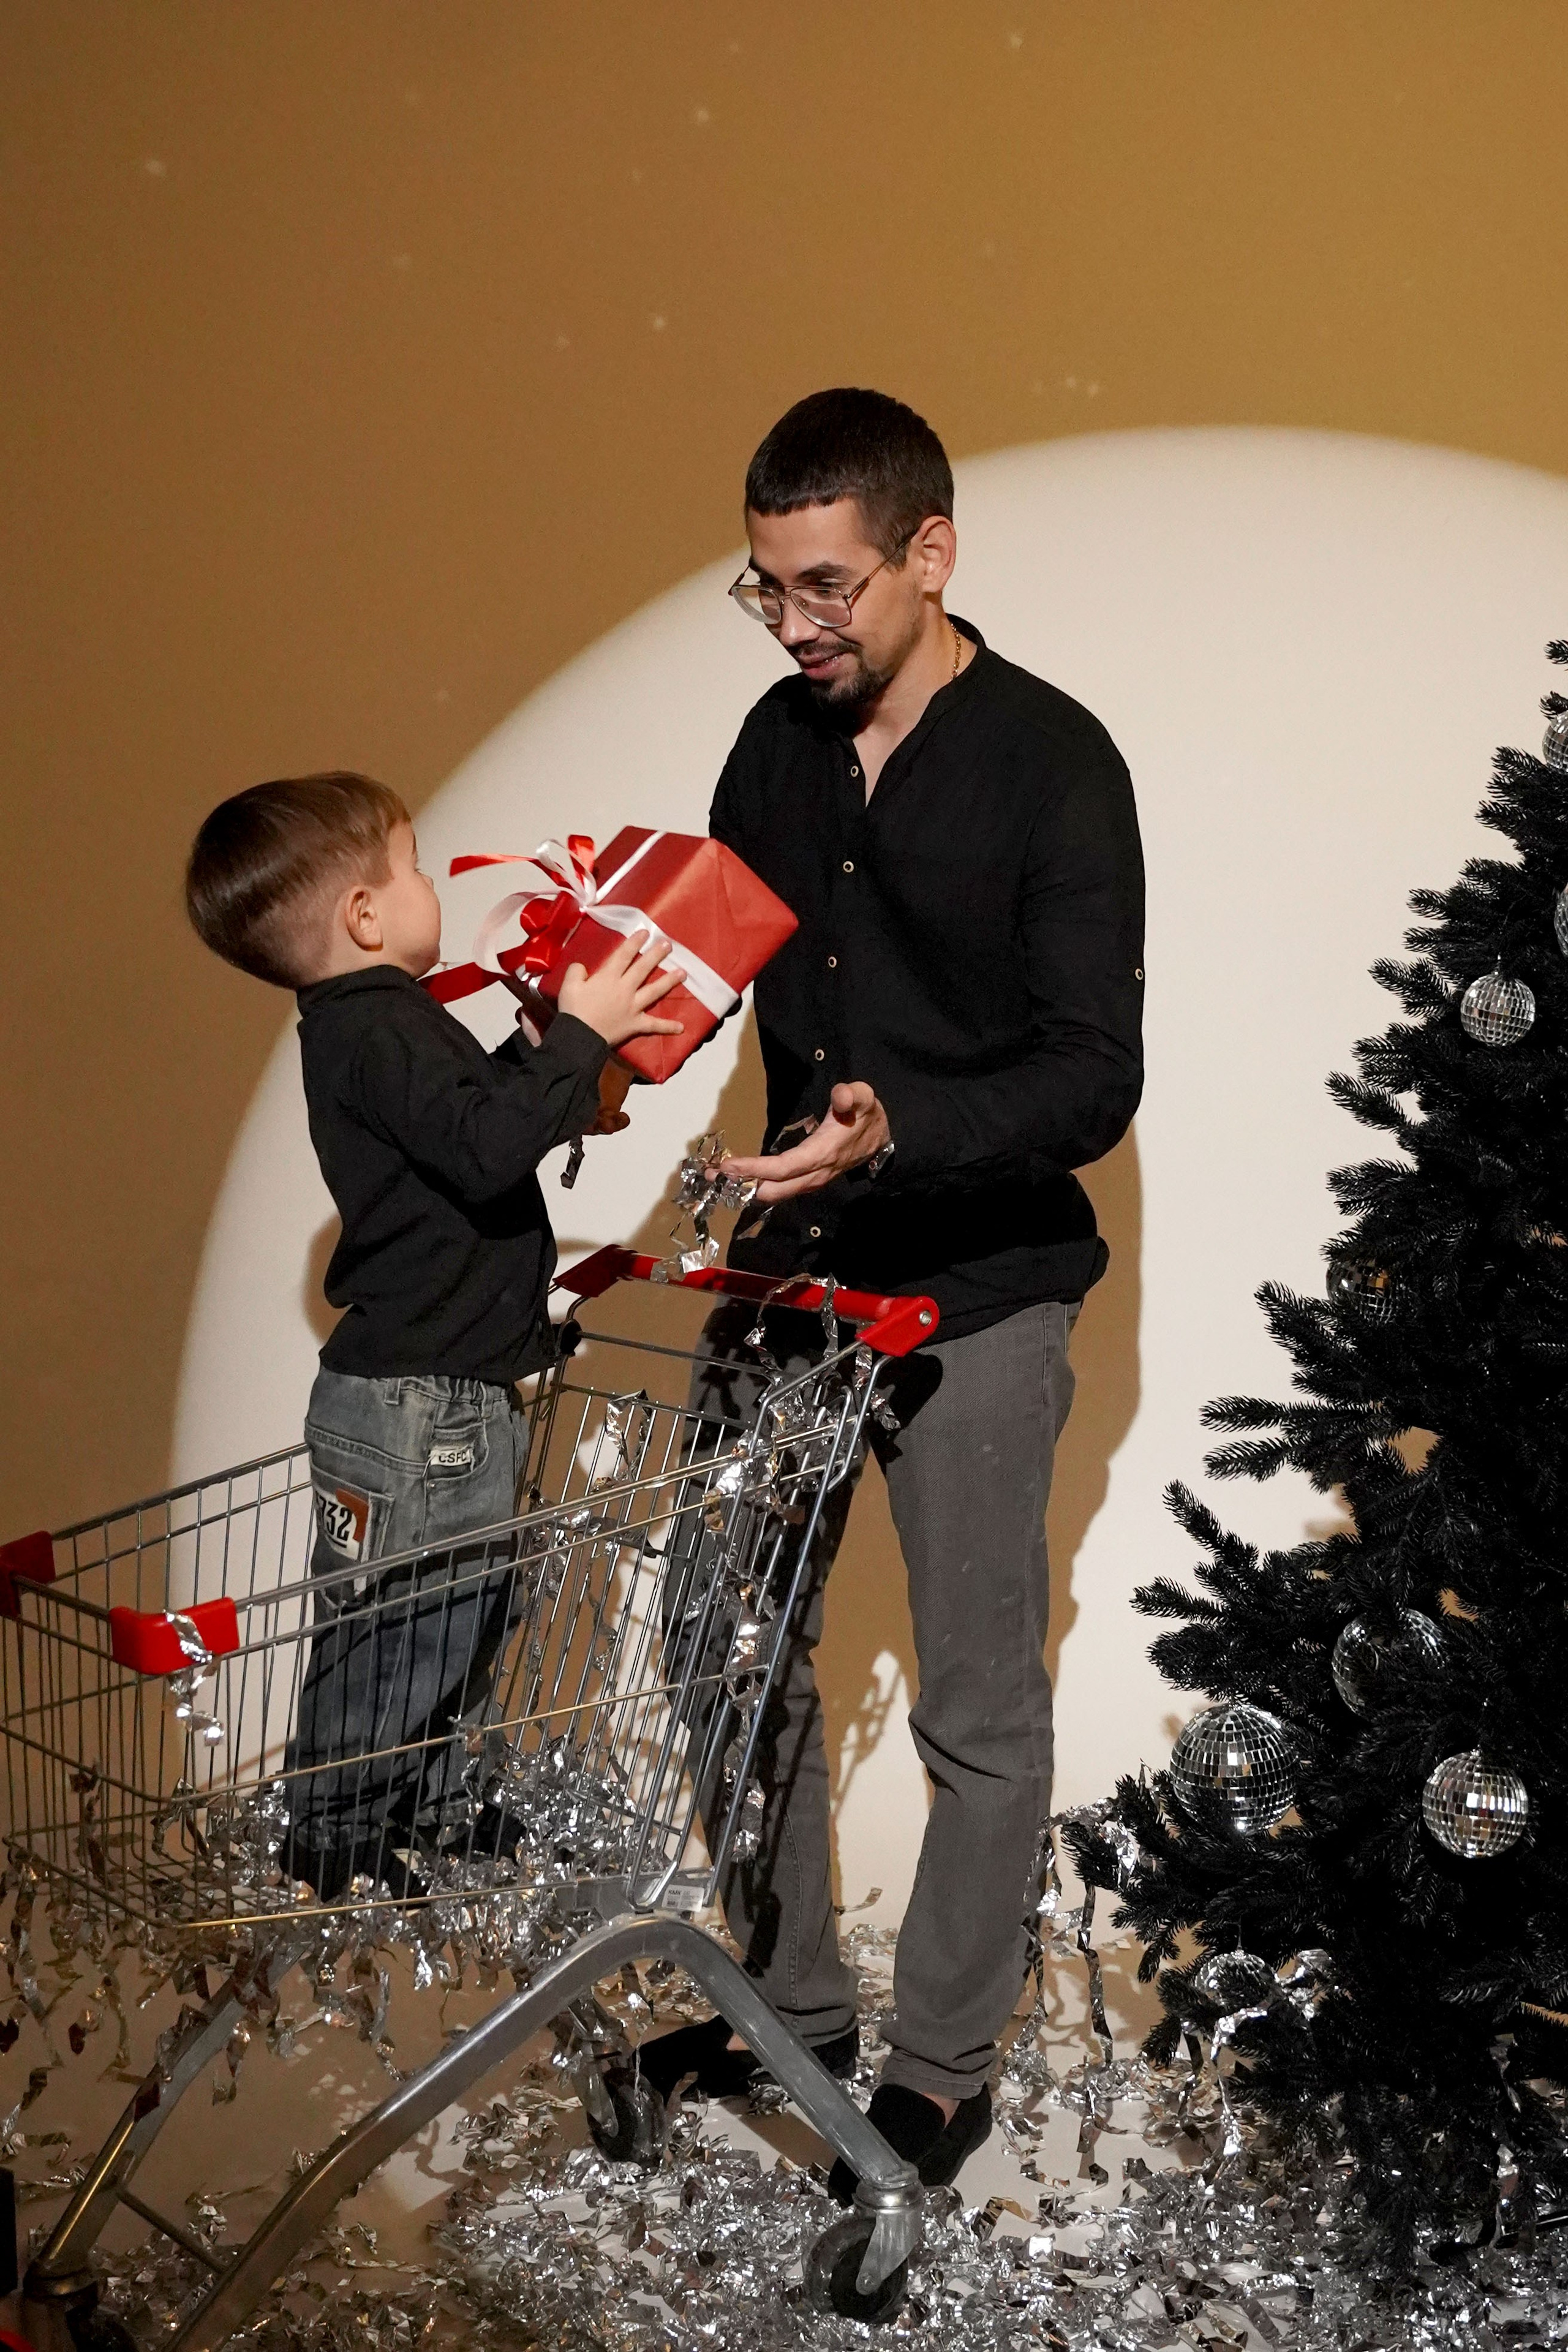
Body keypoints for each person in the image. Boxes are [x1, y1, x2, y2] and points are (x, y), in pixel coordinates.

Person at [630, 390, 1145, 2196]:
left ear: (931, 555)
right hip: (795, 1275)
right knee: (720, 1634)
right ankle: (795, 2001)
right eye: (768, 591)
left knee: (974, 1700)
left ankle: (938, 2070)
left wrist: (894, 1130)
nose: (797, 626)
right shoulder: (775, 744)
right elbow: (694, 962)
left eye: (828, 587)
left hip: (979, 1288)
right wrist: (549, 1047)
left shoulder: (1056, 762)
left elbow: (1094, 1078)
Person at [184, 771, 683, 1898]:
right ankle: (341, 1831)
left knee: (457, 1613)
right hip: (423, 1408)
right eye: (410, 864)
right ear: (365, 915)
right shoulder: (377, 1027)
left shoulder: (375, 1028)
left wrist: (556, 1074)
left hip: (439, 1397)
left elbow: (457, 1132)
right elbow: (480, 1149)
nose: (427, 883)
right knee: (404, 1623)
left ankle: (428, 1805)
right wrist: (575, 1047)